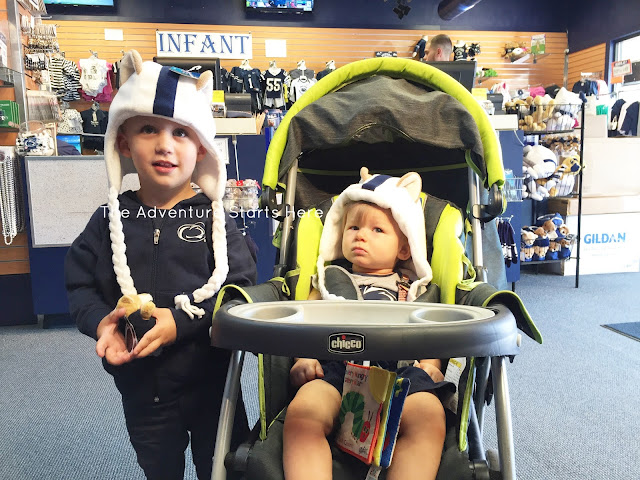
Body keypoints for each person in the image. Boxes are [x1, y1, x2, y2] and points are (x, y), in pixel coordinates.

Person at [64, 50, 257, 480]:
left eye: (181, 132)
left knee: (224, 469)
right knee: (159, 468)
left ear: (201, 148)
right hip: (143, 389)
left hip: (213, 386)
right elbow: (80, 285)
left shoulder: (216, 222)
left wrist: (182, 323)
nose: (165, 144)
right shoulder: (108, 222)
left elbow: (241, 291)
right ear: (123, 142)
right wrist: (100, 323)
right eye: (148, 129)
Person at [283, 168, 453, 480]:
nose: (361, 235)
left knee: (429, 416)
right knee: (303, 414)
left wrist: (431, 363)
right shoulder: (327, 281)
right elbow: (303, 321)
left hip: (402, 375)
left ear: (404, 248)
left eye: (377, 230)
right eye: (354, 227)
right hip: (337, 369)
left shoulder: (415, 289)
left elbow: (432, 329)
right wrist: (303, 358)